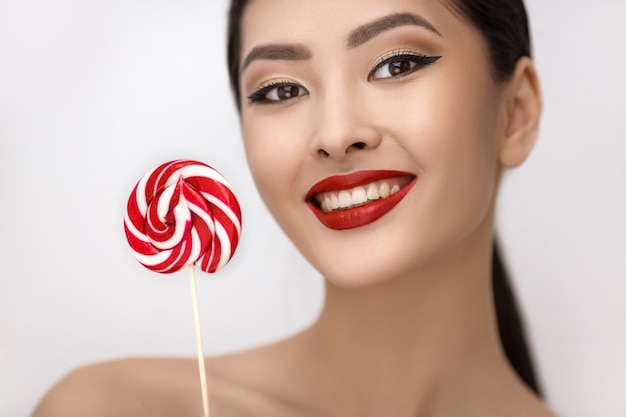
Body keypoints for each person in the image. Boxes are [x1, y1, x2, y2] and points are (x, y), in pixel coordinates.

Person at [33, 0, 555, 416]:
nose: (334, 134)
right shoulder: (109, 409)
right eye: (281, 89)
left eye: (396, 64)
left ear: (516, 113)